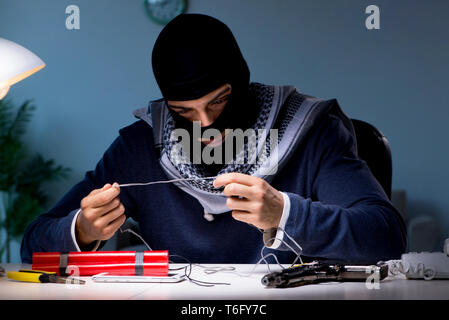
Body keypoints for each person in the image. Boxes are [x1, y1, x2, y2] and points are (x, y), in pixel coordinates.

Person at [21, 13, 406, 264]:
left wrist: (285, 214)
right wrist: (83, 230)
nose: (204, 124)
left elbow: (386, 236)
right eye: (184, 112)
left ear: (240, 84)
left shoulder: (312, 132)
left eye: (219, 101)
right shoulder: (140, 145)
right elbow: (32, 245)